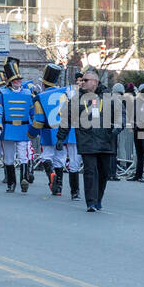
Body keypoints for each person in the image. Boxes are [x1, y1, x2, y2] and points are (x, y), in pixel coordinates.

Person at [56, 71, 116, 212]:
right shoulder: (76, 99)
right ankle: (91, 202)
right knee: (90, 171)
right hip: (86, 140)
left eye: (85, 80)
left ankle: (98, 198)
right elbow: (66, 118)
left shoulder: (109, 97)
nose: (82, 82)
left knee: (103, 172)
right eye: (81, 80)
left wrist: (118, 127)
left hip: (105, 140)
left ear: (95, 82)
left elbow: (121, 114)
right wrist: (60, 138)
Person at [28, 63, 81, 199]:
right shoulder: (68, 92)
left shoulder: (41, 97)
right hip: (68, 131)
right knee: (65, 160)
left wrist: (31, 134)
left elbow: (39, 119)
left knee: (47, 157)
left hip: (48, 132)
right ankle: (68, 190)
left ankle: (53, 180)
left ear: (44, 83)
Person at [0, 62, 34, 194]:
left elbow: (33, 111)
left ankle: (23, 179)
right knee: (9, 158)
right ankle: (11, 183)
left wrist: (36, 125)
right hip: (8, 129)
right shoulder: (1, 94)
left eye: (19, 79)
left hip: (23, 128)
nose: (18, 81)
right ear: (10, 81)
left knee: (23, 156)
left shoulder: (29, 94)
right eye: (15, 79)